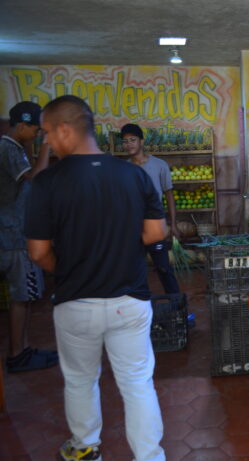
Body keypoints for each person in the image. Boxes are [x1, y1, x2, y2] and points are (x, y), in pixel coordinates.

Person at [25, 95, 166, 461]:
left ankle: (86, 448)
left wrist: (71, 267)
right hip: (130, 301)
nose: (47, 142)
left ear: (66, 130)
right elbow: (154, 234)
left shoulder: (47, 183)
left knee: (80, 380)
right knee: (137, 384)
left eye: (48, 133)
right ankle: (150, 457)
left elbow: (38, 253)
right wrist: (119, 250)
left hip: (76, 302)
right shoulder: (133, 175)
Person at [0, 101, 57, 372]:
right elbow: (37, 177)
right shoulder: (8, 149)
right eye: (36, 130)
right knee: (21, 297)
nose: (37, 134)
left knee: (24, 296)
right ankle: (17, 355)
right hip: (14, 238)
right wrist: (46, 146)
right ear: (22, 125)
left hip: (15, 234)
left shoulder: (15, 149)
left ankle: (22, 348)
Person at [120, 123, 180, 294]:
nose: (128, 144)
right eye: (125, 141)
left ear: (141, 141)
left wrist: (173, 224)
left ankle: (176, 307)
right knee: (134, 271)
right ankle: (140, 308)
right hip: (132, 227)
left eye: (133, 140)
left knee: (164, 268)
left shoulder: (160, 165)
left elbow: (169, 195)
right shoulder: (123, 169)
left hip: (155, 225)